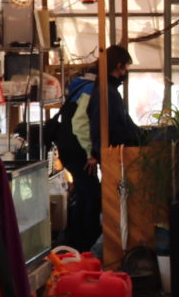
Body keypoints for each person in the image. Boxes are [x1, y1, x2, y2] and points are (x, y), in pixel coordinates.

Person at [54, 46, 141, 252]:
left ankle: (76, 247)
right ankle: (80, 248)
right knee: (91, 198)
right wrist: (92, 154)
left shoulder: (96, 86)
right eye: (126, 67)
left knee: (87, 196)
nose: (126, 72)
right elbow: (83, 125)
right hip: (78, 152)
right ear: (118, 66)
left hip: (73, 150)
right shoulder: (100, 91)